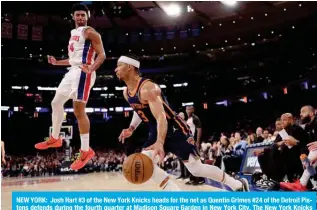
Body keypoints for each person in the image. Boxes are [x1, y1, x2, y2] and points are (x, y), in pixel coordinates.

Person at [116, 54, 249, 191]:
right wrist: (131, 128)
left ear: (130, 68)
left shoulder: (148, 88)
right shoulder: (126, 93)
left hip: (174, 128)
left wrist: (160, 142)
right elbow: (139, 110)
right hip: (155, 129)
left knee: (196, 169)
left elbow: (161, 117)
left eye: (119, 66)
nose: (116, 70)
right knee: (145, 161)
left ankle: (237, 184)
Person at [34, 3, 106, 170]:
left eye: (83, 15)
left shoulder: (90, 32)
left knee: (79, 111)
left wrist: (91, 68)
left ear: (87, 17)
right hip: (72, 71)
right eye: (77, 15)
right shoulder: (73, 33)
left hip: (83, 72)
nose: (80, 17)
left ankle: (86, 150)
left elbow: (102, 55)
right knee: (55, 103)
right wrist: (57, 62)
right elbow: (73, 59)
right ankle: (55, 137)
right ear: (73, 17)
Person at [280, 105, 317, 191]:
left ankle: (302, 183)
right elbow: (307, 145)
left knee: (312, 149)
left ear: (311, 113)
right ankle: (302, 182)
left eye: (303, 112)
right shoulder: (308, 127)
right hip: (313, 154)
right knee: (304, 150)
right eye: (300, 112)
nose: (300, 114)